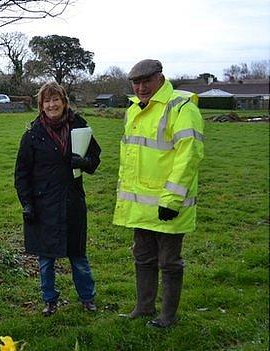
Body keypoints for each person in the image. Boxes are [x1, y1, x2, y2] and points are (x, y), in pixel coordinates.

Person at [113, 59, 205, 328]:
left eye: (146, 81)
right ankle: (143, 308)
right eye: (136, 83)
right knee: (142, 256)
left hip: (168, 203)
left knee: (169, 262)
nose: (141, 87)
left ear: (160, 78)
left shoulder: (181, 108)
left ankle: (167, 316)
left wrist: (172, 199)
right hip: (141, 203)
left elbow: (189, 156)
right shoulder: (133, 109)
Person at [14, 82, 102, 316]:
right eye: (47, 101)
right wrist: (27, 204)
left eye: (56, 100)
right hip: (43, 205)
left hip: (72, 202)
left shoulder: (80, 127)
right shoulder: (33, 135)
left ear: (64, 102)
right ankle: (49, 299)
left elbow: (95, 159)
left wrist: (83, 163)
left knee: (78, 257)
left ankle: (87, 297)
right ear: (41, 105)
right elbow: (21, 174)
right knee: (46, 260)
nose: (52, 105)